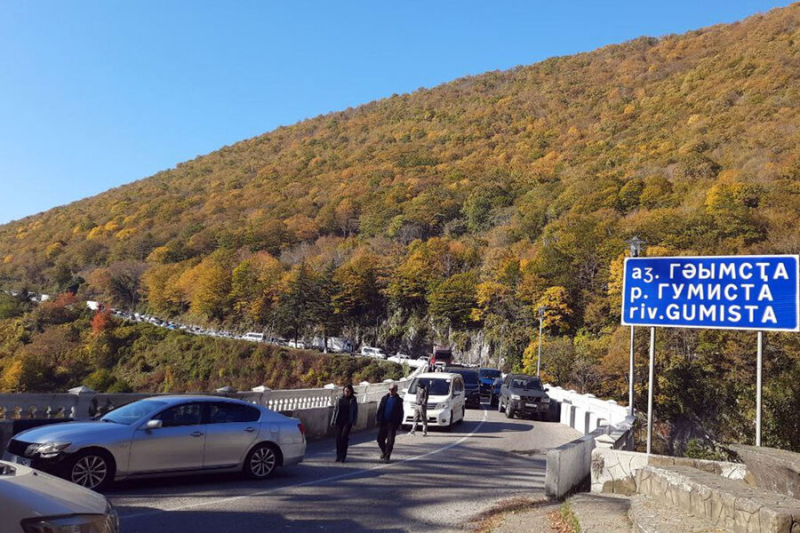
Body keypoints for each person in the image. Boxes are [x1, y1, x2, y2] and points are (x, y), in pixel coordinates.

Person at [375, 382, 404, 463]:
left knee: (390, 441)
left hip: (392, 423)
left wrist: (399, 423)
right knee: (380, 439)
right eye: (389, 389)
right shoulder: (384, 398)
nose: (391, 391)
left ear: (396, 390)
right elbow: (380, 409)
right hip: (383, 422)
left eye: (392, 389)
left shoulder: (398, 400)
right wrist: (378, 419)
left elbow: (400, 412)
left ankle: (387, 456)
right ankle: (384, 452)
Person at [331, 384, 358, 462]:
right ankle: (338, 455)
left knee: (344, 438)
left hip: (347, 422)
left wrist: (354, 421)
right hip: (339, 421)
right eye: (345, 391)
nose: (346, 392)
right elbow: (335, 410)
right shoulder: (339, 399)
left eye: (348, 391)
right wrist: (332, 420)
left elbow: (355, 411)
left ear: (351, 392)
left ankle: (343, 455)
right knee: (338, 439)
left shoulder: (353, 400)